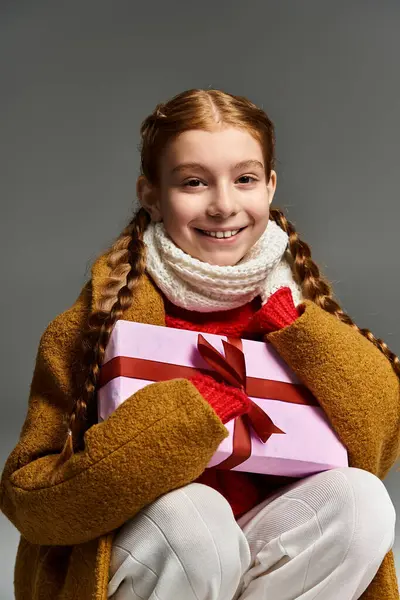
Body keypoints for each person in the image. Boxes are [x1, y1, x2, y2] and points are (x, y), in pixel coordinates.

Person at [1, 88, 399, 600]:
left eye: (245, 179)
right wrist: (180, 423)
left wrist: (298, 328)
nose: (223, 205)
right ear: (151, 194)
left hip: (263, 558)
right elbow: (31, 502)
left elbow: (377, 451)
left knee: (363, 499)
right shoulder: (96, 324)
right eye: (193, 182)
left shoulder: (298, 309)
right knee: (194, 520)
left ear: (270, 186)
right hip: (154, 554)